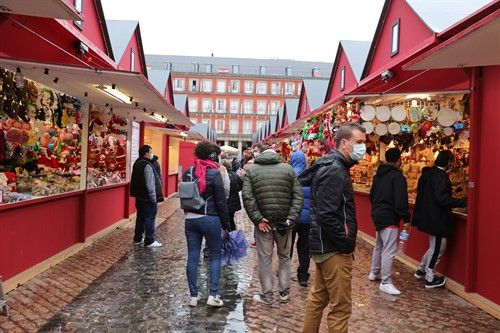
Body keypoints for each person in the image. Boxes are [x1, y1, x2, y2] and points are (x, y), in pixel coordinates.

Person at [301, 122, 366, 333]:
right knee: (340, 308)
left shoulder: (332, 167)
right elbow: (327, 214)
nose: (363, 147)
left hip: (325, 246)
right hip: (333, 249)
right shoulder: (335, 170)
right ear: (345, 143)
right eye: (360, 142)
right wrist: (345, 242)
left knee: (318, 298)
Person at [242, 145, 303, 306]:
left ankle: (267, 295)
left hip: (264, 225)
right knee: (284, 258)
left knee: (265, 259)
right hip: (284, 224)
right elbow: (298, 195)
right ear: (275, 155)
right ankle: (284, 293)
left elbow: (248, 198)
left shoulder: (252, 170)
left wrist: (258, 219)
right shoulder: (289, 170)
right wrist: (291, 217)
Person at [182, 141, 230, 307]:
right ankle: (213, 295)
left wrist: (189, 214)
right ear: (212, 155)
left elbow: (185, 196)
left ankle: (194, 296)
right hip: (210, 218)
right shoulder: (214, 172)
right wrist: (226, 225)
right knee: (215, 256)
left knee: (193, 256)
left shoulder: (188, 171)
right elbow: (221, 202)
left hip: (190, 219)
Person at [412, 150, 467, 289]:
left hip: (427, 216)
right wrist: (464, 201)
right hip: (436, 218)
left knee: (433, 246)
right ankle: (430, 279)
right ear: (448, 162)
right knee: (438, 248)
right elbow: (443, 199)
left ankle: (421, 270)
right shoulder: (441, 177)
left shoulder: (427, 174)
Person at [368, 148, 411, 295]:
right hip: (389, 216)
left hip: (378, 213)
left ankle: (374, 273)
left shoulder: (378, 175)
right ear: (399, 159)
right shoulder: (398, 177)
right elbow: (400, 201)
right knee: (389, 250)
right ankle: (385, 282)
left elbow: (371, 195)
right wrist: (406, 218)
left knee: (379, 245)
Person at [130, 145, 164, 248]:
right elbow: (150, 184)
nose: (151, 153)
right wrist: (154, 199)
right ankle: (149, 240)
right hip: (147, 198)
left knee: (140, 218)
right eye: (150, 151)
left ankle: (137, 239)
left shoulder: (137, 163)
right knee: (150, 218)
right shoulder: (147, 165)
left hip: (139, 197)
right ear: (146, 153)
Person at [289, 144, 312, 287]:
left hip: (291, 217)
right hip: (307, 218)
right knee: (304, 247)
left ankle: (284, 270)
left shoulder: (288, 174)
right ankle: (303, 275)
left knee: (287, 246)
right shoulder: (311, 174)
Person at [221, 159, 243, 231]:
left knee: (224, 219)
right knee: (231, 219)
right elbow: (241, 185)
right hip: (233, 202)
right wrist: (236, 190)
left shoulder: (221, 175)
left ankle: (227, 234)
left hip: (224, 201)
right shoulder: (235, 175)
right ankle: (232, 234)